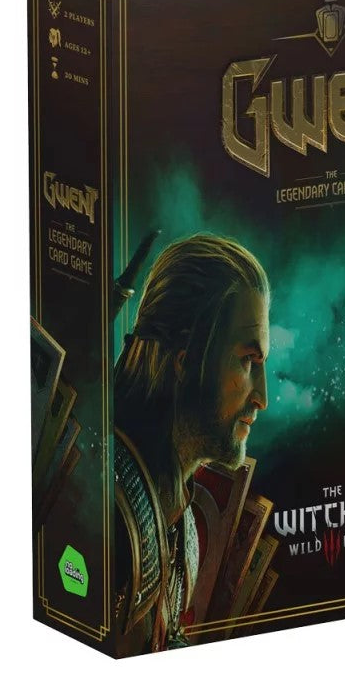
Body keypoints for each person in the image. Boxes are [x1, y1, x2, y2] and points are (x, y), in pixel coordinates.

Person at [112, 234, 270, 653]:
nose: (262, 397)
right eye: (247, 361)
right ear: (185, 360)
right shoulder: (111, 506)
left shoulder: (183, 530)